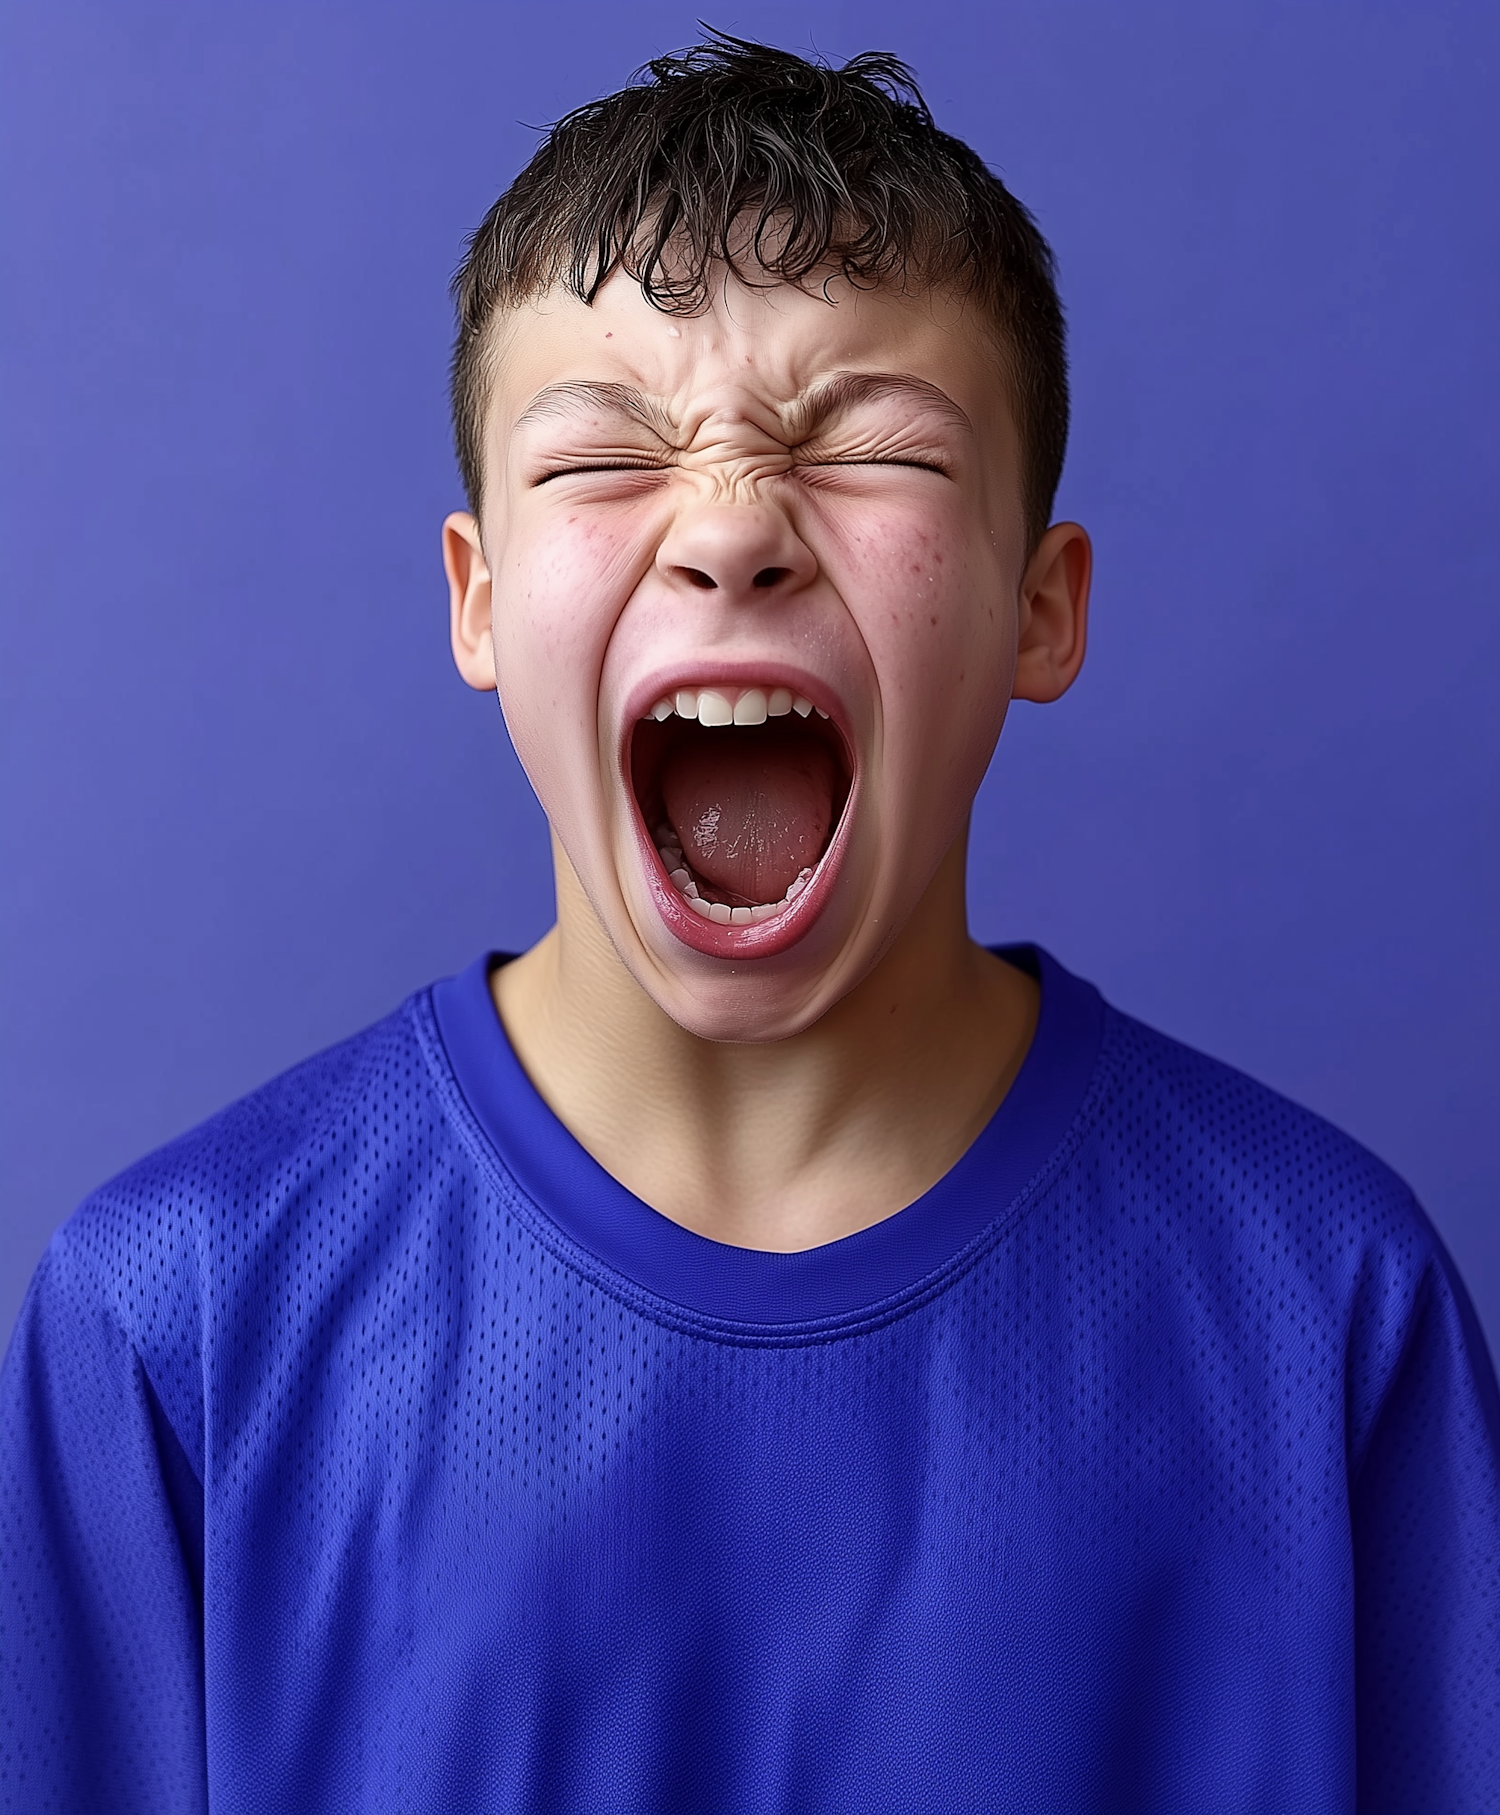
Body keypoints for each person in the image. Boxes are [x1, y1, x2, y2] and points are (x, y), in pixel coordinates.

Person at [3, 33, 1497, 1814]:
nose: (734, 527)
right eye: (604, 459)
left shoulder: (1325, 1310)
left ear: (1041, 608)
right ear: (478, 604)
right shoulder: (176, 1323)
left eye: (865, 446)